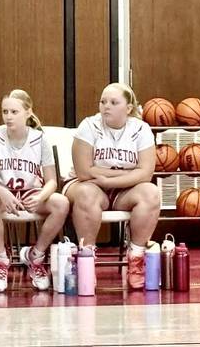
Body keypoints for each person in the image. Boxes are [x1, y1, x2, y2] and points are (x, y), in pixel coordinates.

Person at [63, 82, 159, 289]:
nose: (106, 106)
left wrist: (108, 179)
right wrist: (127, 173)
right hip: (87, 185)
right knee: (87, 193)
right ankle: (86, 259)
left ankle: (136, 257)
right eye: (103, 102)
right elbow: (84, 171)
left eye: (114, 102)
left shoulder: (141, 129)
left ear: (128, 108)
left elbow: (146, 173)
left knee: (151, 193)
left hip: (121, 189)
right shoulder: (89, 126)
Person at [0, 90, 69, 291]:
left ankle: (35, 256)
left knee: (61, 203)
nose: (8, 116)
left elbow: (52, 181)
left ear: (28, 112)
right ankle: (2, 260)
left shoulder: (40, 139)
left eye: (14, 112)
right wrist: (3, 193)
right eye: (5, 111)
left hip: (30, 193)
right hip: (2, 192)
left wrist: (41, 197)